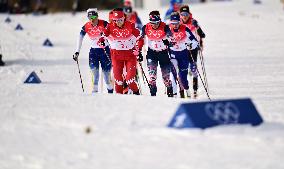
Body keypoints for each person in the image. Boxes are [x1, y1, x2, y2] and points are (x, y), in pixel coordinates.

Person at [99, 8, 141, 95]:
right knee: (118, 81)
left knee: (130, 80)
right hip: (116, 55)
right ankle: (119, 98)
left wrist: (138, 49)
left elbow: (140, 37)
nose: (118, 22)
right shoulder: (110, 26)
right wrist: (101, 41)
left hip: (130, 55)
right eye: (116, 20)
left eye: (120, 20)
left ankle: (137, 93)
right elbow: (102, 36)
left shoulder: (130, 25)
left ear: (124, 18)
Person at [73, 8, 113, 94]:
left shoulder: (104, 23)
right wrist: (77, 52)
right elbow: (80, 38)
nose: (92, 19)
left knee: (107, 75)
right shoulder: (86, 26)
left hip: (104, 51)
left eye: (94, 17)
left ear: (97, 16)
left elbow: (111, 35)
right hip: (93, 52)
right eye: (90, 17)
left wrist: (105, 38)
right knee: (95, 74)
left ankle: (110, 92)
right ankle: (94, 95)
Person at [136, 10, 174, 97]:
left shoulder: (165, 26)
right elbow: (140, 40)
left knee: (166, 78)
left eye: (157, 22)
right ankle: (153, 96)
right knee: (152, 77)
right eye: (152, 23)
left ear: (159, 20)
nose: (155, 25)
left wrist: (169, 41)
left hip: (163, 53)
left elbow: (171, 37)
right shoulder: (145, 27)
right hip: (151, 53)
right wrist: (139, 52)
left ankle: (170, 95)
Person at [168, 12, 199, 98]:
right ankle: (174, 95)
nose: (175, 25)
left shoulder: (185, 29)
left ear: (180, 22)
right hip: (173, 55)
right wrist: (167, 44)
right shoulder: (168, 29)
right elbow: (161, 41)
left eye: (177, 23)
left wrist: (190, 45)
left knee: (183, 79)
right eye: (173, 23)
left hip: (183, 55)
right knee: (173, 74)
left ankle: (187, 90)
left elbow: (195, 41)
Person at [180, 5, 206, 98]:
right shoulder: (178, 23)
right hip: (182, 50)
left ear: (189, 14)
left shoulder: (193, 22)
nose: (184, 16)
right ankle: (182, 90)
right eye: (182, 14)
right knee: (183, 70)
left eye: (186, 14)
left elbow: (202, 35)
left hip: (193, 49)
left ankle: (195, 90)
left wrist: (197, 27)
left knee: (194, 69)